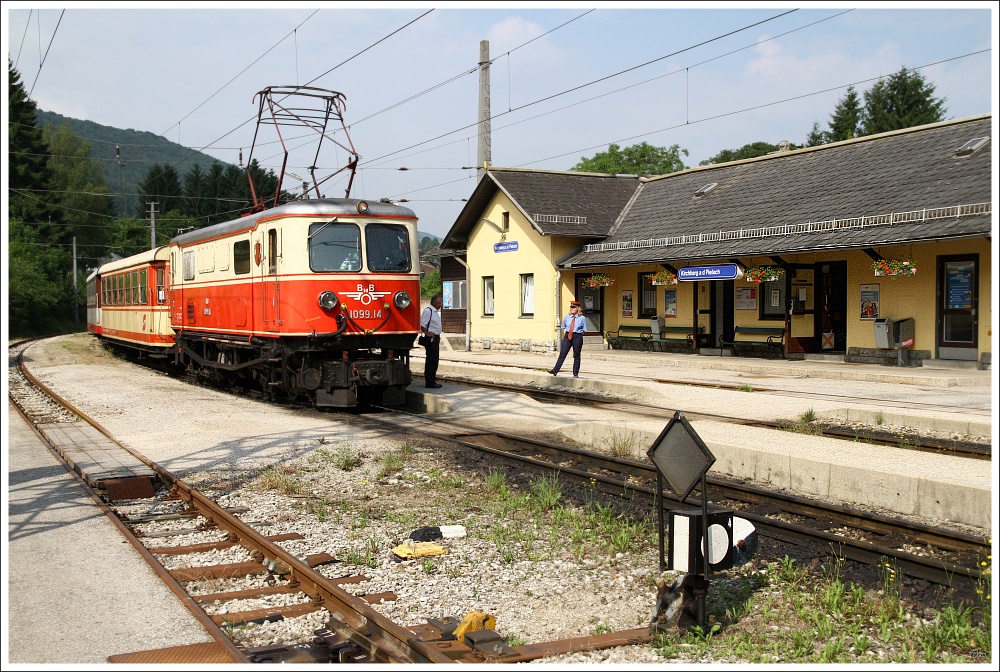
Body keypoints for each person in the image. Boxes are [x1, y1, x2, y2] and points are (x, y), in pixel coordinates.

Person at [548, 301, 585, 377]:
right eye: (571, 307)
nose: (571, 309)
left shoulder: (582, 318)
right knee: (562, 354)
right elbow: (564, 326)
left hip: (577, 336)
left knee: (576, 355)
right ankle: (555, 370)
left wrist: (577, 335)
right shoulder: (567, 317)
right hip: (567, 336)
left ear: (577, 309)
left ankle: (575, 373)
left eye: (573, 307)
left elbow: (584, 329)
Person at [420, 294, 444, 388]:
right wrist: (426, 333)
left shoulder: (435, 312)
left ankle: (432, 379)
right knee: (431, 360)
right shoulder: (428, 311)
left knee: (434, 360)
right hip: (431, 338)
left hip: (436, 337)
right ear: (434, 302)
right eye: (439, 303)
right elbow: (422, 324)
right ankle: (430, 382)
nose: (440, 305)